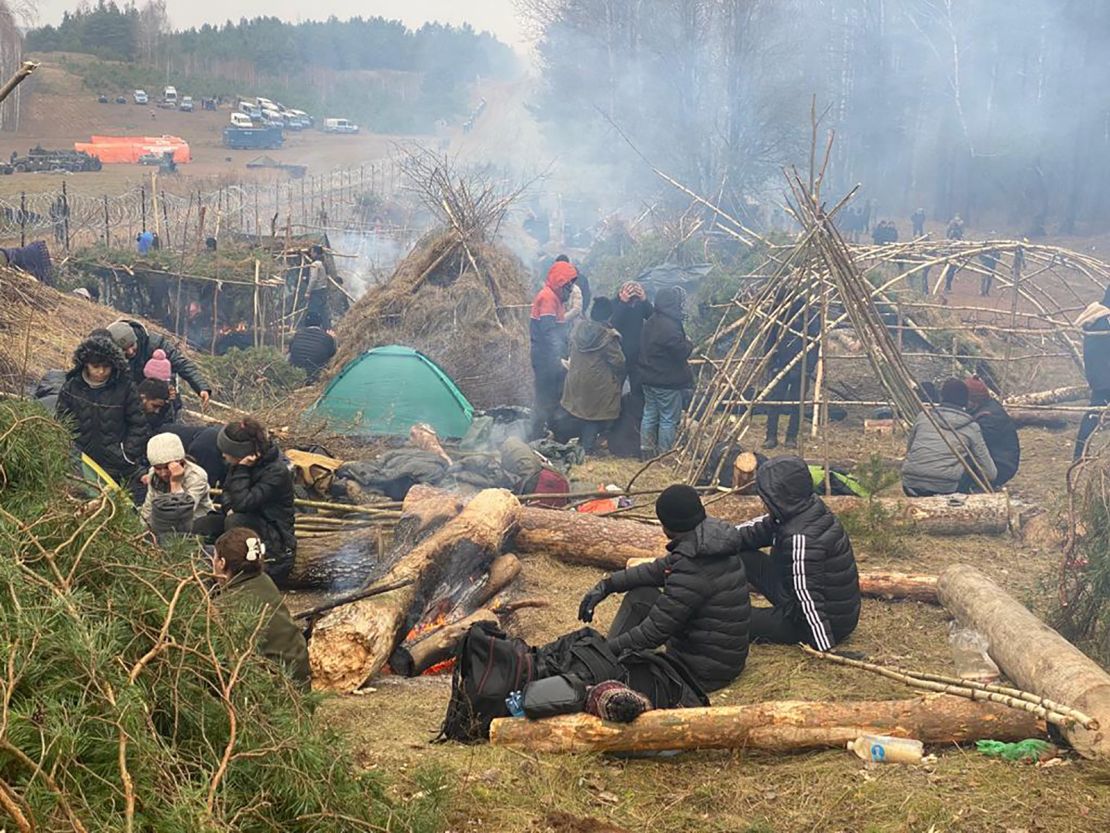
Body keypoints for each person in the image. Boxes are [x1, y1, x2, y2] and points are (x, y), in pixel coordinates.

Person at [577, 484, 751, 693]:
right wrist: (607, 585)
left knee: (628, 665)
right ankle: (605, 660)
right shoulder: (708, 539)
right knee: (642, 594)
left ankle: (602, 664)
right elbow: (656, 570)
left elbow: (653, 632)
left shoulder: (693, 564)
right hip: (720, 657)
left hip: (701, 671)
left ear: (668, 525)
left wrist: (604, 650)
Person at [732, 456, 860, 650]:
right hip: (796, 597)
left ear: (780, 497)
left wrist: (825, 647)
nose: (763, 502)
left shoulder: (800, 539)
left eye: (765, 497)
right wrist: (712, 539)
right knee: (742, 555)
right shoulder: (801, 507)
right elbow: (754, 531)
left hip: (821, 622)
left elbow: (809, 597)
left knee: (729, 621)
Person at [211, 528, 311, 690]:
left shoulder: (227, 604)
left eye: (214, 559)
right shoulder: (264, 581)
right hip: (300, 685)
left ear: (222, 563)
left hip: (274, 692)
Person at [55, 331, 149, 491]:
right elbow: (61, 423)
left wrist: (126, 454)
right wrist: (70, 452)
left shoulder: (125, 387)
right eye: (95, 366)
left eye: (106, 367)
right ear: (85, 364)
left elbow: (139, 425)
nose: (101, 372)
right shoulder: (71, 387)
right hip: (81, 464)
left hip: (117, 466)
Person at [213, 418, 296, 588]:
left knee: (234, 521)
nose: (223, 455)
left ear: (241, 453)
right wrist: (229, 507)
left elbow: (244, 503)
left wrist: (242, 470)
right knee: (205, 524)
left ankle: (234, 572)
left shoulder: (276, 472)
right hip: (251, 524)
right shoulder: (239, 465)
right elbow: (227, 493)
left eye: (227, 452)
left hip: (275, 541)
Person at [902, 379, 997, 496]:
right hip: (945, 488)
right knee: (969, 462)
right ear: (966, 401)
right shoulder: (971, 427)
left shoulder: (923, 417)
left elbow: (909, 450)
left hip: (910, 484)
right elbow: (990, 473)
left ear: (942, 397)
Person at [561, 297, 625, 453]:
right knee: (594, 416)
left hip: (576, 380)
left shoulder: (578, 328)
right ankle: (586, 450)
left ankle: (582, 443)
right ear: (609, 316)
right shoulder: (608, 337)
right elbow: (619, 362)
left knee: (584, 414)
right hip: (597, 386)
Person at [106, 319, 212, 410]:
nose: (130, 352)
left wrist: (201, 387)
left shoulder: (154, 343)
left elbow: (182, 364)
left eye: (132, 345)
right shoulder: (108, 357)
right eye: (123, 349)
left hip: (160, 397)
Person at [638, 286, 694, 458]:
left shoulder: (653, 320)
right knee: (668, 418)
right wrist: (688, 343)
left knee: (649, 414)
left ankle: (646, 450)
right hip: (666, 380)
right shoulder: (669, 326)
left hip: (648, 377)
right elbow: (680, 351)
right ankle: (665, 454)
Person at [529, 259, 578, 439]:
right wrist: (559, 358)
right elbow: (548, 332)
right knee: (544, 398)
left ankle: (549, 433)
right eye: (569, 285)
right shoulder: (548, 298)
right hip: (545, 358)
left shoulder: (556, 298)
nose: (571, 289)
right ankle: (536, 436)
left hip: (550, 356)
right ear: (560, 282)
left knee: (553, 396)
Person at [763, 292, 818, 450]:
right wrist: (772, 363)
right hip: (780, 364)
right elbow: (769, 341)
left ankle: (791, 437)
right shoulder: (778, 316)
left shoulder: (809, 316)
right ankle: (771, 436)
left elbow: (815, 344)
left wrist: (807, 368)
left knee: (797, 403)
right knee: (775, 401)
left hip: (801, 366)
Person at [140, 432, 215, 537]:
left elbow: (182, 514)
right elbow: (149, 507)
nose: (163, 473)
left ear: (180, 461)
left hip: (194, 525)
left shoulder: (197, 476)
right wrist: (142, 530)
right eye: (158, 468)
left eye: (167, 467)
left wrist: (176, 482)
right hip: (163, 526)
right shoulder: (153, 474)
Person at [1075, 286, 1110, 459]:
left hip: (1099, 375)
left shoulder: (1098, 317)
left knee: (1093, 414)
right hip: (1105, 377)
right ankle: (1079, 453)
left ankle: (1079, 453)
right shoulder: (1104, 320)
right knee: (1093, 415)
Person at [965, 377, 1020, 488]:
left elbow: (973, 444)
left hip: (1000, 465)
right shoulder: (985, 409)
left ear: (974, 400)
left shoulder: (989, 418)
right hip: (998, 460)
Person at [287, 310, 337, 383]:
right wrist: (333, 339)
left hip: (296, 371)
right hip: (316, 372)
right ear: (320, 324)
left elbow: (290, 349)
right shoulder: (326, 337)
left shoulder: (297, 334)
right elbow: (333, 353)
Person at [304, 245, 331, 330]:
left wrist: (308, 291)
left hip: (316, 292)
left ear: (315, 253)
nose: (310, 254)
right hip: (323, 290)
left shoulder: (315, 264)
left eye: (311, 252)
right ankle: (327, 330)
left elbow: (313, 279)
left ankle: (313, 331)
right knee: (323, 312)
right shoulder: (323, 264)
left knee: (313, 312)